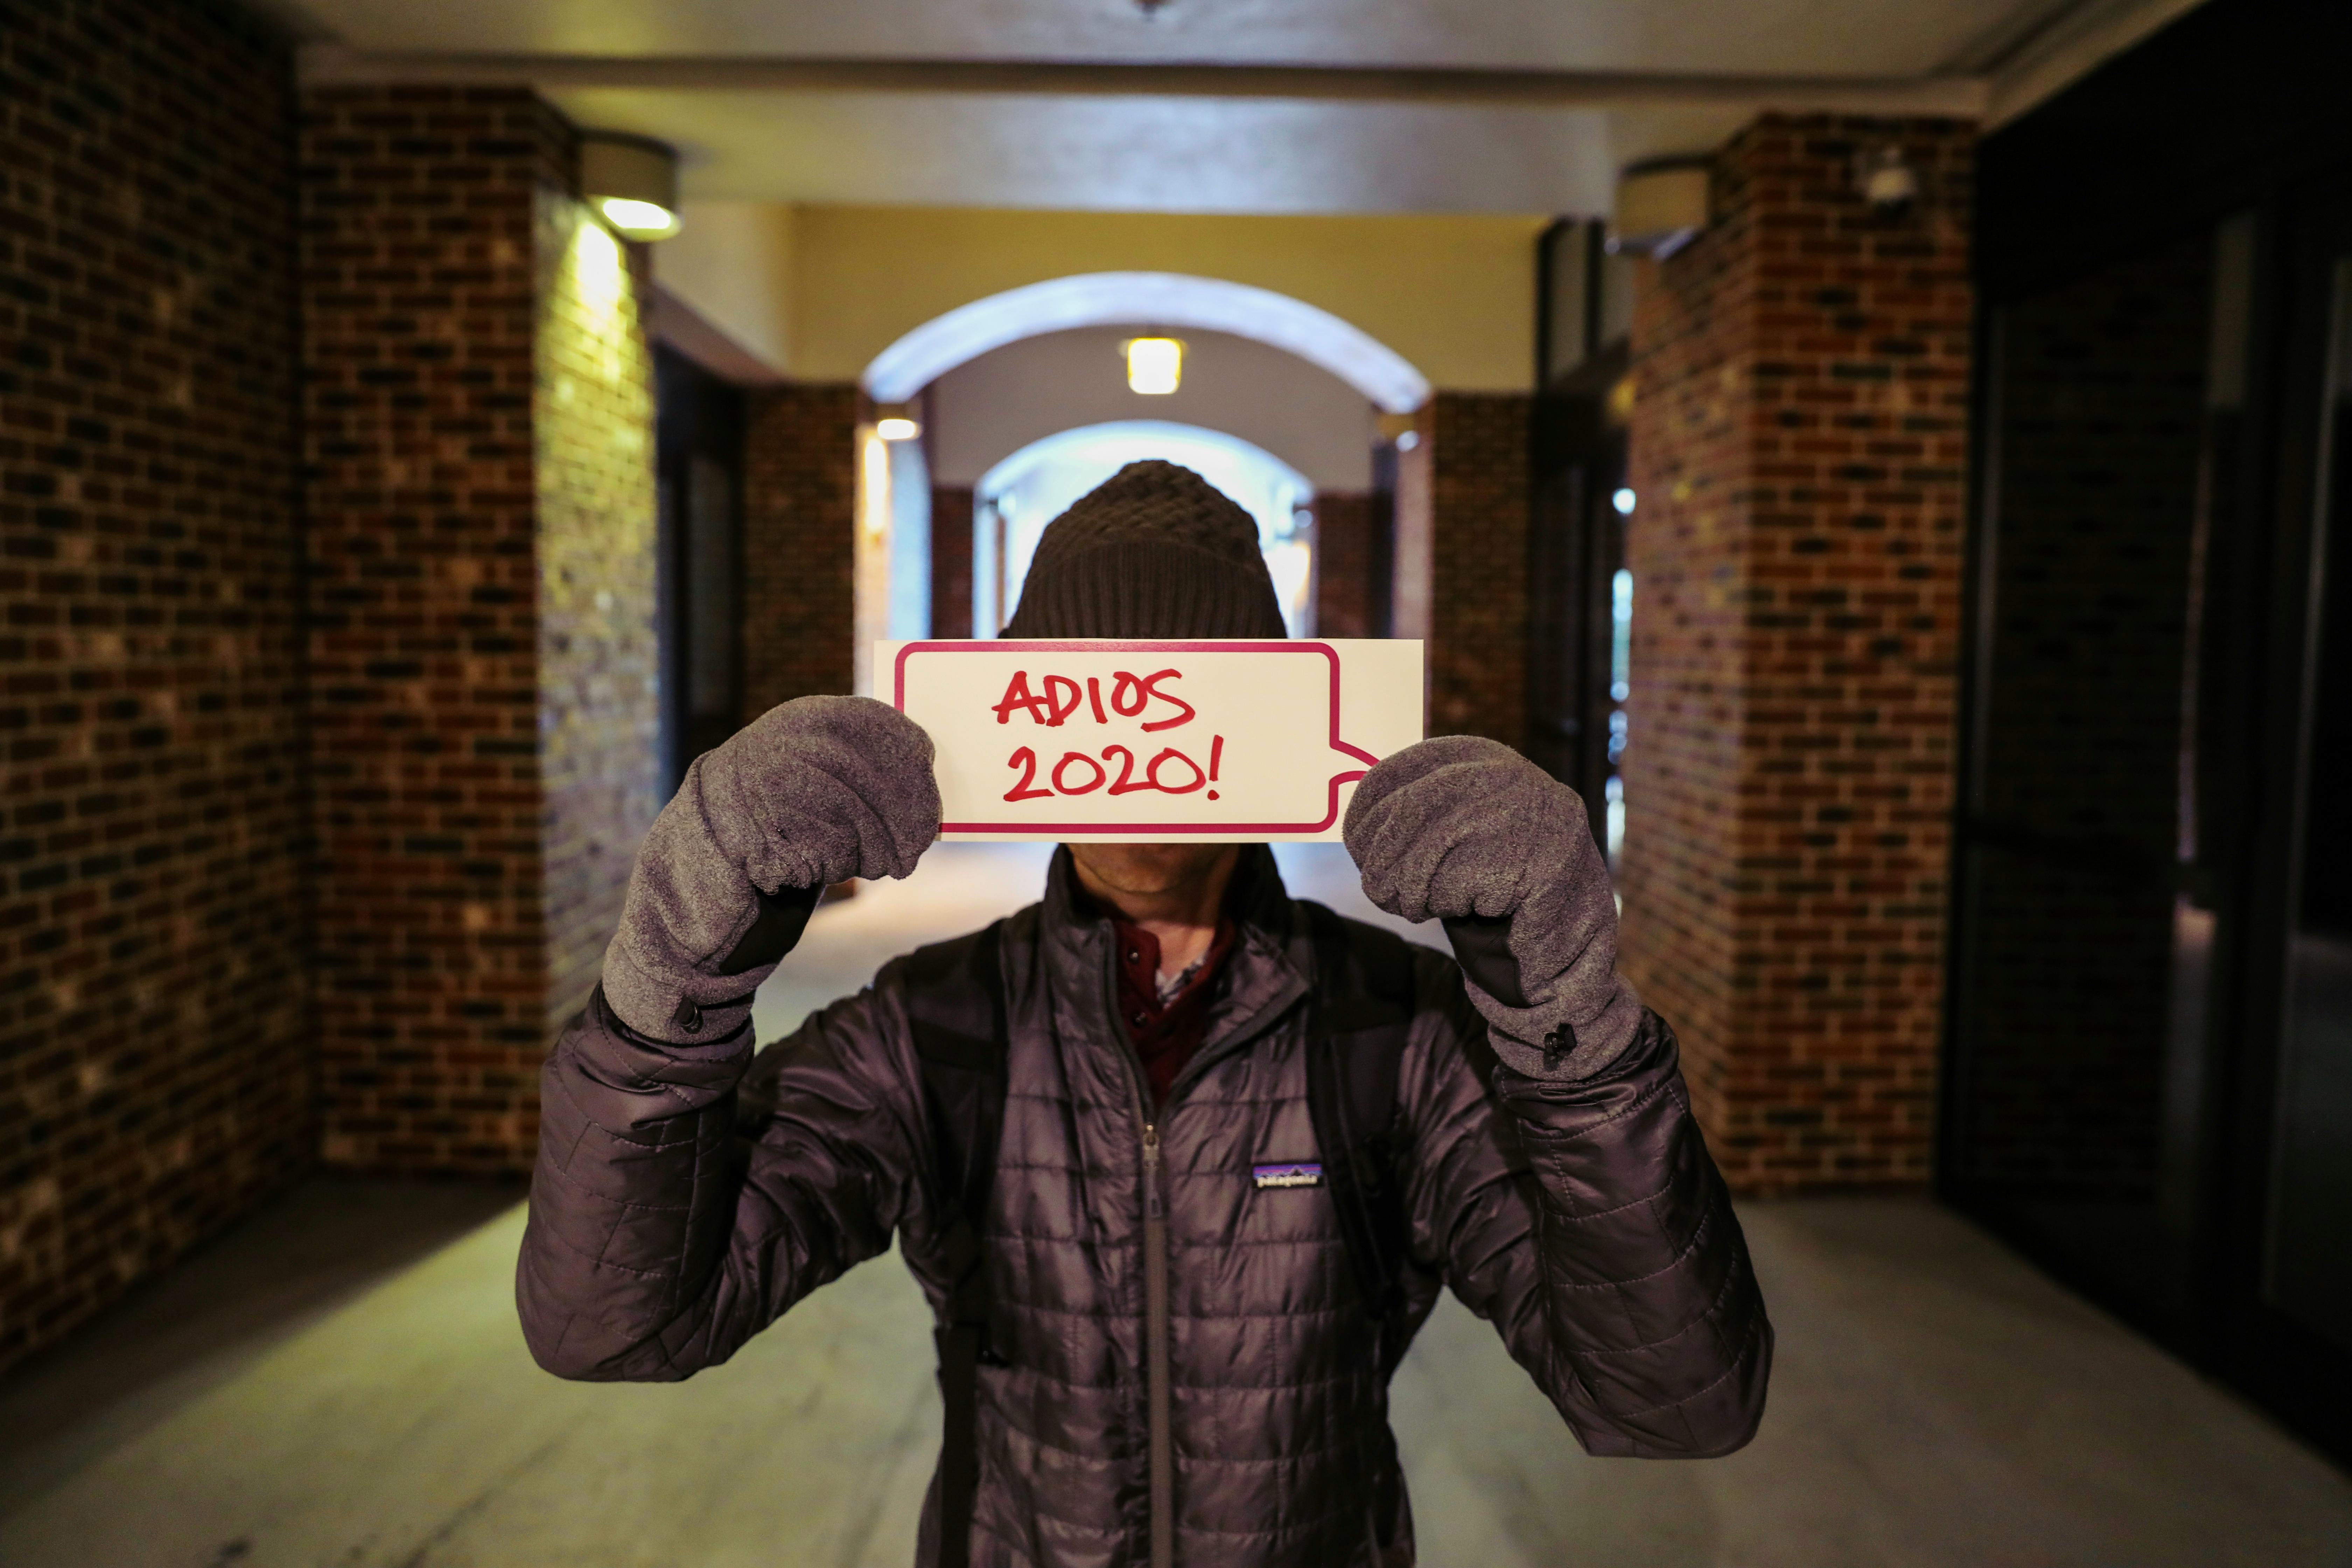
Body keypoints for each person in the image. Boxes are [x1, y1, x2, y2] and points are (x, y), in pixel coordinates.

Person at [517, 461, 1771, 1568]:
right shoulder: (932, 1022)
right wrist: (671, 988)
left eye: (1188, 707)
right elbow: (614, 1327)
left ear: (1265, 727)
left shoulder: (1405, 1030)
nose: (1136, 767)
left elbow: (1674, 1402)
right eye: (1082, 699)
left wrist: (1567, 1024)